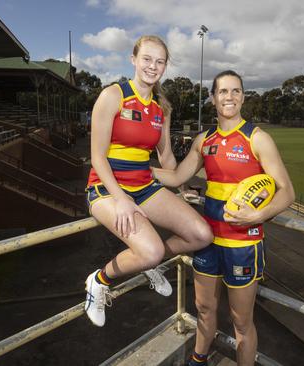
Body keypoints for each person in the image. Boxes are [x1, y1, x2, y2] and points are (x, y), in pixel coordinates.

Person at [152, 70, 295, 365]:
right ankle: (199, 358)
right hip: (208, 242)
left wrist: (258, 214)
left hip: (243, 245)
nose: (229, 97)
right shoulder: (205, 140)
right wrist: (133, 170)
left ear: (242, 97)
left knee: (241, 322)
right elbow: (178, 175)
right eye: (223, 92)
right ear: (213, 98)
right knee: (204, 308)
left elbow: (287, 192)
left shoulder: (258, 139)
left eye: (235, 91)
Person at [84, 35, 213, 327]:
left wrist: (181, 190)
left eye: (159, 61)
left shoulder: (161, 107)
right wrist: (120, 199)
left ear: (165, 66)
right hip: (106, 188)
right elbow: (97, 157)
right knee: (152, 250)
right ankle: (98, 281)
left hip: (144, 186)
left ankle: (146, 263)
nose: (152, 66)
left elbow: (166, 157)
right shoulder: (113, 95)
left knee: (200, 234)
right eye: (147, 59)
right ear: (133, 60)